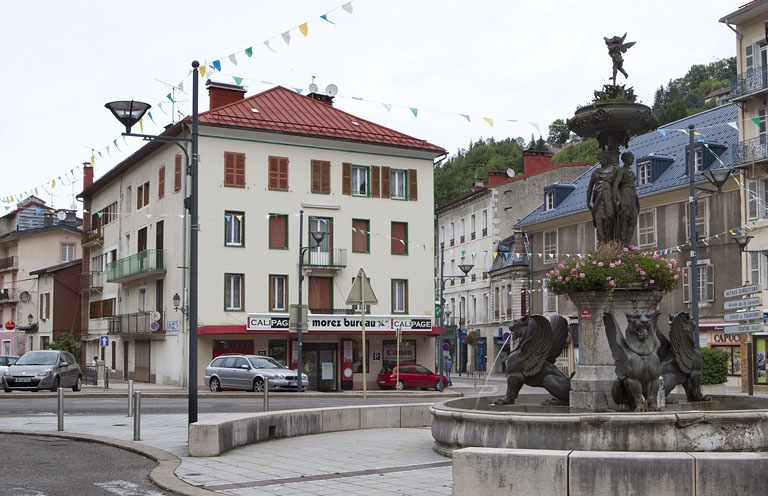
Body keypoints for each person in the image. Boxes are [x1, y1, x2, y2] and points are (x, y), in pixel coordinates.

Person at [614, 152, 640, 246]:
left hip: (633, 195)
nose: (633, 159)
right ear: (626, 159)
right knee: (625, 218)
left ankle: (627, 244)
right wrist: (616, 199)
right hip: (626, 194)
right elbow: (616, 185)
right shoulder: (622, 170)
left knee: (633, 219)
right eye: (631, 158)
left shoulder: (631, 171)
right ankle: (622, 243)